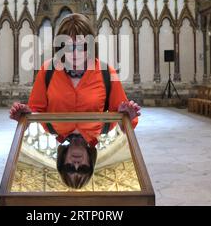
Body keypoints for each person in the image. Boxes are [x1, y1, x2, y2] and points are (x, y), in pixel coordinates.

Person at [10, 14, 141, 189]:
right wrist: (128, 115)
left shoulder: (105, 72)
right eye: (68, 46)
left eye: (82, 46)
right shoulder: (47, 71)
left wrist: (23, 115)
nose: (76, 164)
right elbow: (36, 108)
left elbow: (31, 113)